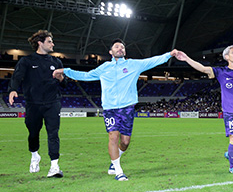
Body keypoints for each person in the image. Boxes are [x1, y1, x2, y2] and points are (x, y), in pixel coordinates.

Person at [54, 39, 177, 181]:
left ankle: (114, 161)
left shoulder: (134, 65)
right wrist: (66, 71)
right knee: (113, 137)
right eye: (117, 47)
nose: (120, 49)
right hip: (110, 108)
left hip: (127, 108)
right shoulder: (104, 68)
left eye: (122, 47)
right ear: (110, 52)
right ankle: (118, 171)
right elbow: (86, 76)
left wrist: (169, 54)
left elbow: (152, 61)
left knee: (125, 142)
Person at [9, 30, 66, 178]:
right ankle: (35, 155)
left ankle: (54, 166)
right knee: (33, 133)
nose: (52, 44)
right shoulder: (26, 61)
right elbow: (17, 77)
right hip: (33, 104)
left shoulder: (56, 62)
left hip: (53, 102)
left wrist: (60, 78)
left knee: (53, 133)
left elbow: (64, 83)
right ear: (40, 43)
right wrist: (13, 90)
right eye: (49, 41)